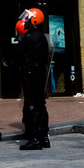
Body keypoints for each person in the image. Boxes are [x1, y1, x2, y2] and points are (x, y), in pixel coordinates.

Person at [15, 8, 50, 150]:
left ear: (34, 20)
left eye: (28, 19)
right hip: (39, 73)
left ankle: (35, 139)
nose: (26, 21)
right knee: (41, 104)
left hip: (31, 75)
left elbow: (17, 54)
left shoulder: (31, 37)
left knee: (32, 104)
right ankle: (44, 137)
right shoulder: (41, 36)